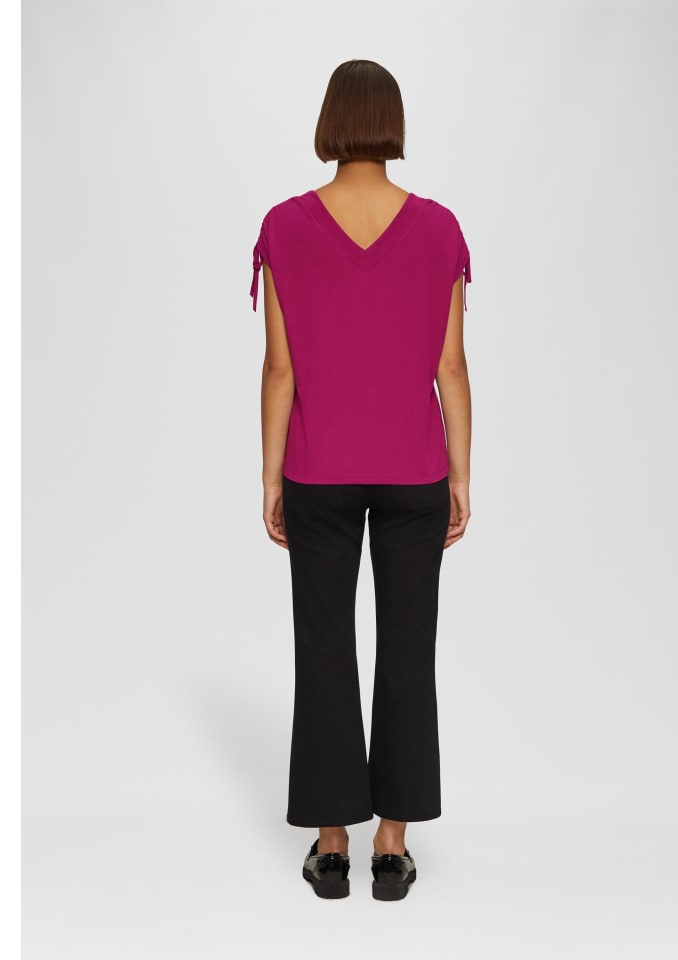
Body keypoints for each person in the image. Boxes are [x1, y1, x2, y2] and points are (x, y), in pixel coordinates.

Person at [249, 59, 472, 901]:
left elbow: (279, 368)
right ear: (392, 123)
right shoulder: (440, 228)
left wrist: (271, 475)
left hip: (318, 467)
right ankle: (393, 846)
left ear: (331, 123)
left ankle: (331, 842)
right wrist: (460, 474)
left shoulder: (284, 225)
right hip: (415, 468)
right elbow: (451, 367)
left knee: (324, 649)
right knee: (409, 650)